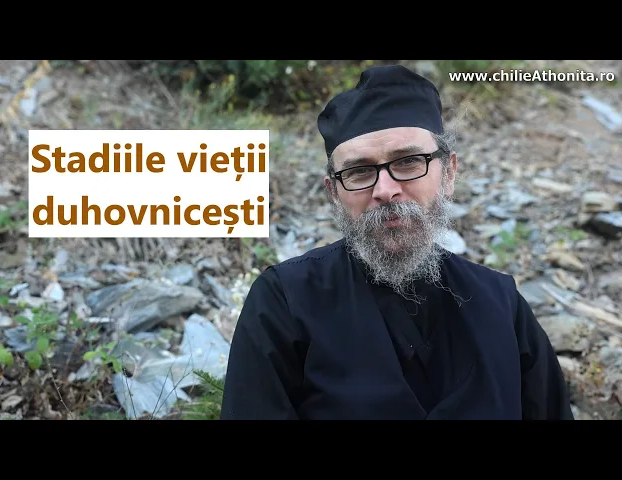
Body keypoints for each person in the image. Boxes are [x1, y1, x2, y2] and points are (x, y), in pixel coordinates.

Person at [219, 64, 574, 420]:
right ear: (334, 193)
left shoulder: (501, 305)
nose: (385, 190)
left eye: (408, 162)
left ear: (449, 173)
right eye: (359, 171)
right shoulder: (284, 303)